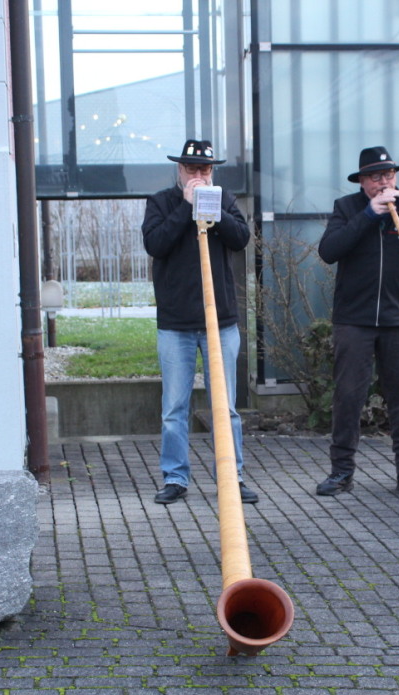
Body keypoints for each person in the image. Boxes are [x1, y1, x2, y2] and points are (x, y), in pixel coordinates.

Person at [316, 146, 399, 499]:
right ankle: (342, 472)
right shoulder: (347, 208)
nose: (383, 183)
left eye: (388, 175)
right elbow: (329, 251)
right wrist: (369, 214)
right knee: (348, 398)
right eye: (375, 177)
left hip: (397, 318)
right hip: (353, 320)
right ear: (362, 181)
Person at [141, 139, 259, 505]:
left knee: (226, 407)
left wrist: (213, 209)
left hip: (220, 322)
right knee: (174, 409)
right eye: (191, 168)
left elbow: (241, 239)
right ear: (179, 170)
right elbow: (156, 244)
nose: (198, 175)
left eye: (205, 169)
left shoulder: (224, 200)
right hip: (175, 323)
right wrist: (186, 207)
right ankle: (175, 478)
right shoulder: (161, 202)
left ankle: (232, 476)